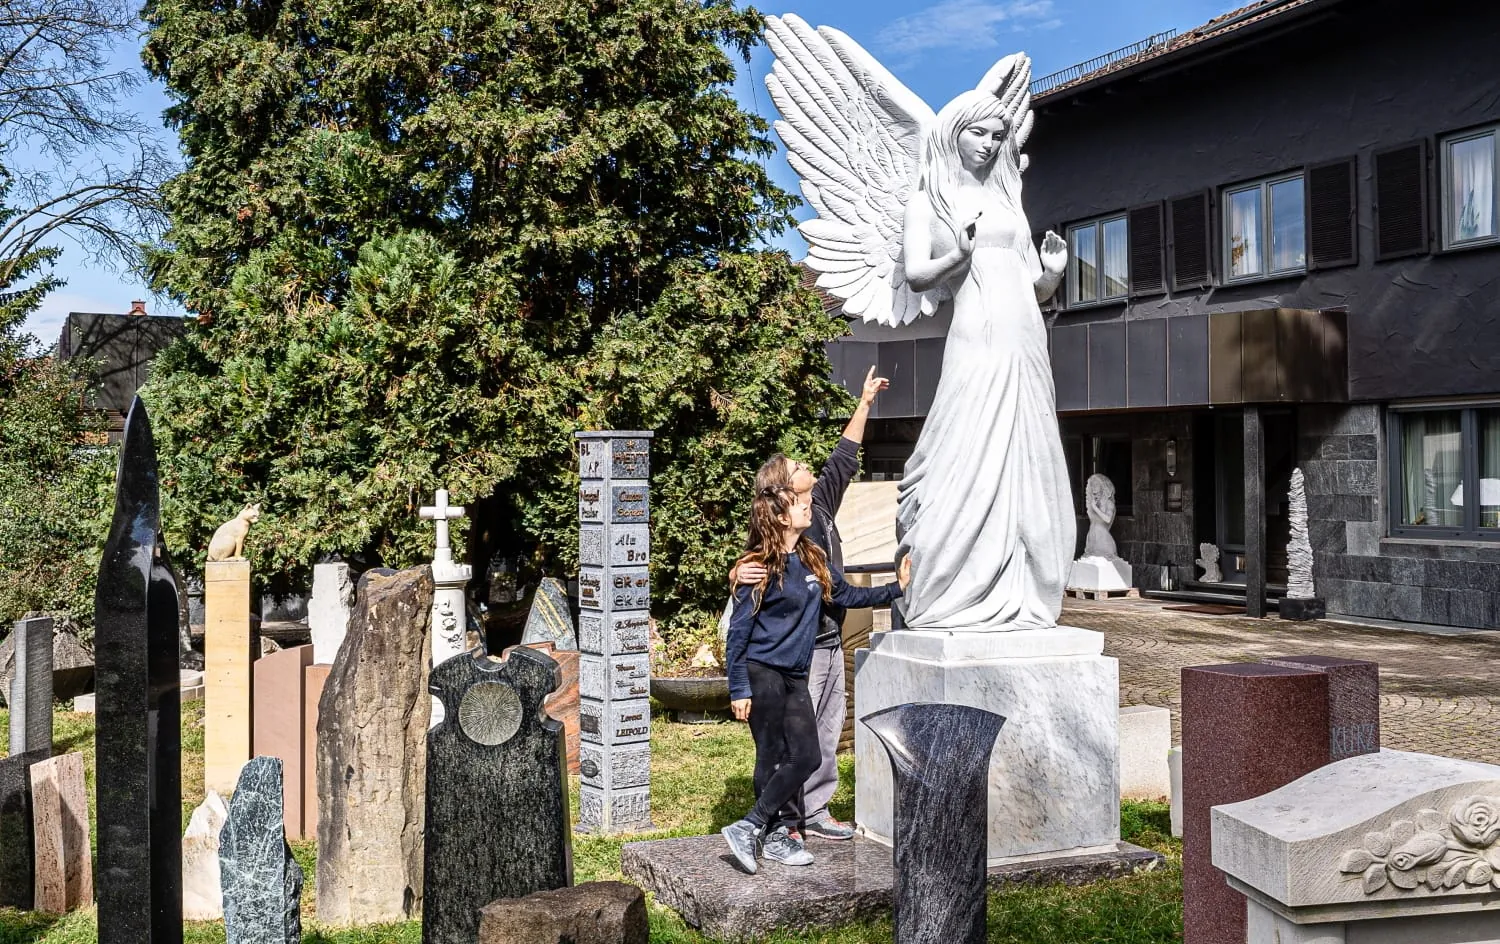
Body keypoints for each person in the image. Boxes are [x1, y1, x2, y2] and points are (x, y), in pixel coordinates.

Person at [894, 77, 1075, 631]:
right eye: (979, 132)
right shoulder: (930, 198)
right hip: (976, 336)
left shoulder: (1007, 197)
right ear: (953, 133)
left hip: (1026, 335)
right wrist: (958, 254)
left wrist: (1051, 275)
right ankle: (954, 582)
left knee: (1029, 451)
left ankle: (1021, 586)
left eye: (999, 135)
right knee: (965, 448)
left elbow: (1030, 285)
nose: (990, 144)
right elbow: (917, 275)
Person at [720, 474, 909, 874]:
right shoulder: (757, 568)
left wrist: (898, 587)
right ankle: (773, 835)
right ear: (780, 517)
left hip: (793, 674)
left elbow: (848, 596)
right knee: (771, 757)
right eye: (796, 501)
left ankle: (750, 826)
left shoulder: (812, 556)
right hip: (762, 672)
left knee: (806, 755)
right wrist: (738, 688)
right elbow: (738, 635)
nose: (806, 505)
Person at [732, 365, 887, 841]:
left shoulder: (817, 506)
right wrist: (736, 571)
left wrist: (863, 404)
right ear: (782, 486)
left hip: (830, 638)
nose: (809, 469)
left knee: (824, 731)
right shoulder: (783, 521)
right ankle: (788, 822)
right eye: (799, 468)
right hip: (799, 649)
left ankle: (815, 811)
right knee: (795, 738)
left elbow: (844, 458)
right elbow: (757, 565)